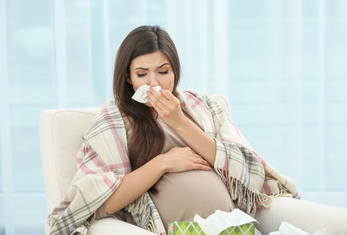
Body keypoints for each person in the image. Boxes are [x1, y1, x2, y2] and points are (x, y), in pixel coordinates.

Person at [47, 25, 299, 235]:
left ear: (175, 71)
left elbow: (243, 170)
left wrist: (178, 121)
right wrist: (163, 163)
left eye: (163, 72)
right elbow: (103, 201)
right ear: (128, 78)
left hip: (235, 226)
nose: (153, 83)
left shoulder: (203, 108)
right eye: (142, 74)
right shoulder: (115, 123)